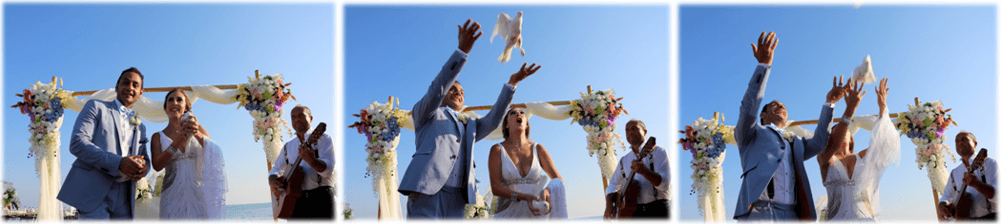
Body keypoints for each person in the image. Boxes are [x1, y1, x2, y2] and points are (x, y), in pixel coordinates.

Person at [397, 18, 541, 219]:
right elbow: (436, 89)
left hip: (458, 196)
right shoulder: (426, 113)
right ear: (444, 94)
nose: (459, 93)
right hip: (427, 189)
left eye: (462, 92)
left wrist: (512, 84)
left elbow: (493, 120)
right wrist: (462, 52)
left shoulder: (470, 125)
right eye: (453, 89)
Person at [734, 32, 847, 221]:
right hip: (760, 212)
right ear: (762, 115)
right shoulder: (751, 134)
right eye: (774, 105)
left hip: (792, 214)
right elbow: (748, 108)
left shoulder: (796, 143)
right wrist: (764, 66)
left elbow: (820, 142)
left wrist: (830, 103)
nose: (780, 106)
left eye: (783, 106)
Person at [57, 67, 152, 219]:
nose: (130, 87)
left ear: (140, 93)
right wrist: (119, 163)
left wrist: (144, 169)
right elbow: (78, 142)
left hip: (125, 197)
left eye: (135, 85)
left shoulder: (141, 126)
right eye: (125, 83)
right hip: (93, 190)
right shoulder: (95, 106)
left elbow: (145, 158)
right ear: (117, 86)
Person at [818, 78, 900, 221]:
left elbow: (885, 142)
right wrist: (850, 109)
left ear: (851, 139)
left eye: (845, 130)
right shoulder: (824, 158)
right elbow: (833, 143)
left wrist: (882, 107)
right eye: (835, 131)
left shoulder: (862, 157)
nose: (841, 132)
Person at [151, 88, 227, 219]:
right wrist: (178, 139)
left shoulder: (199, 129)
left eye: (179, 100)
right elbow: (157, 166)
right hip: (171, 196)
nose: (174, 102)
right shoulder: (157, 137)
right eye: (170, 100)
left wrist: (196, 133)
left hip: (199, 195)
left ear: (186, 106)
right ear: (166, 107)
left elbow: (214, 154)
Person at [488, 108, 567, 219]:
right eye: (513, 113)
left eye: (522, 113)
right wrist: (524, 197)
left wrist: (548, 190)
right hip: (507, 213)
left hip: (536, 211)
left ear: (526, 125)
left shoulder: (538, 149)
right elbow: (496, 187)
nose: (518, 114)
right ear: (506, 125)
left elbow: (558, 179)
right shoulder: (497, 150)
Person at [268, 105, 335, 219]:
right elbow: (276, 169)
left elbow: (329, 171)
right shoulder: (288, 146)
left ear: (311, 118)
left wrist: (312, 161)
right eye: (293, 117)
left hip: (321, 198)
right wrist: (272, 179)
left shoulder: (324, 139)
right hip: (295, 202)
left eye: (301, 115)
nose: (297, 119)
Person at [603, 119, 671, 219]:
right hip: (634, 213)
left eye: (634, 129)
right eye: (627, 130)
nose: (630, 132)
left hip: (658, 209)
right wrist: (609, 205)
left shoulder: (658, 151)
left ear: (645, 132)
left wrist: (645, 172)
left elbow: (665, 185)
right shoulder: (624, 160)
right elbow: (612, 185)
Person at [938, 131, 997, 220]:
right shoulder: (954, 172)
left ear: (975, 143)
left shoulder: (989, 163)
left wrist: (977, 185)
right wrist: (942, 205)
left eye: (964, 139)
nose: (960, 143)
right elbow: (946, 196)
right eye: (957, 141)